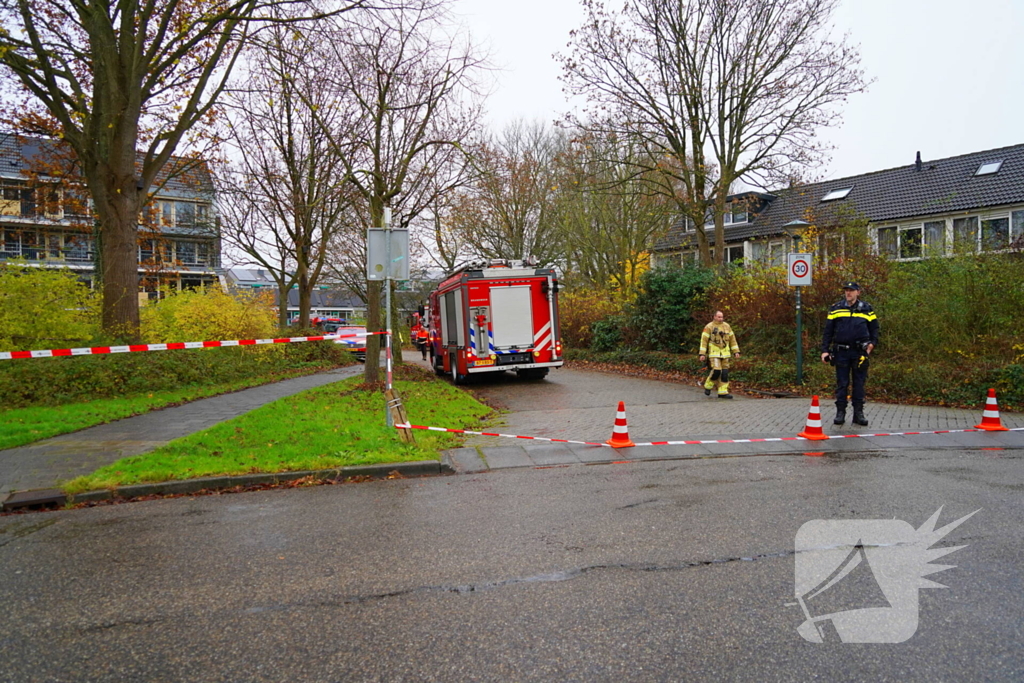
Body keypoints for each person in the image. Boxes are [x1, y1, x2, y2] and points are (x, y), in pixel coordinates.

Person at [820, 281, 879, 426]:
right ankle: (841, 413)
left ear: (858, 292)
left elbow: (875, 329)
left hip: (859, 352)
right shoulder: (836, 308)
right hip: (841, 352)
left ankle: (858, 414)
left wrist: (871, 345)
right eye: (846, 290)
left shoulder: (867, 309)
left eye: (851, 290)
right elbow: (828, 331)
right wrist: (825, 350)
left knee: (859, 383)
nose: (848, 293)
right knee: (842, 384)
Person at [699, 310, 740, 399]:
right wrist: (702, 354)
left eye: (722, 317)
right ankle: (708, 386)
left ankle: (723, 392)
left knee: (724, 374)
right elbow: (704, 341)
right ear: (714, 317)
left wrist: (736, 351)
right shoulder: (709, 327)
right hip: (714, 354)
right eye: (719, 317)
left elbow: (733, 340)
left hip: (725, 354)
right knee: (716, 371)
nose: (721, 319)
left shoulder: (727, 326)